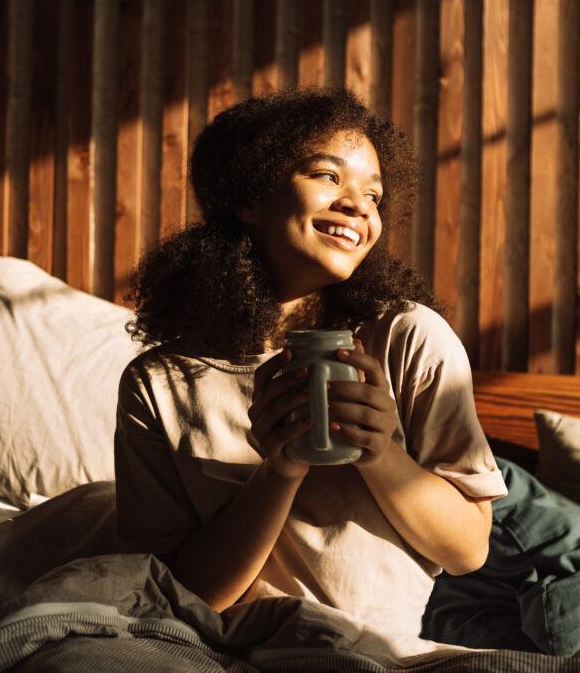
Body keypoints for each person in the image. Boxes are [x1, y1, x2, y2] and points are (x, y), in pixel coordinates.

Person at [114, 86, 507, 638]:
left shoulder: (408, 337)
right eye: (328, 177)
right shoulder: (159, 383)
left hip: (375, 652)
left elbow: (469, 550)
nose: (358, 205)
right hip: (214, 647)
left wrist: (379, 453)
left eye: (374, 194)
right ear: (249, 197)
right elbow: (176, 595)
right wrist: (279, 473)